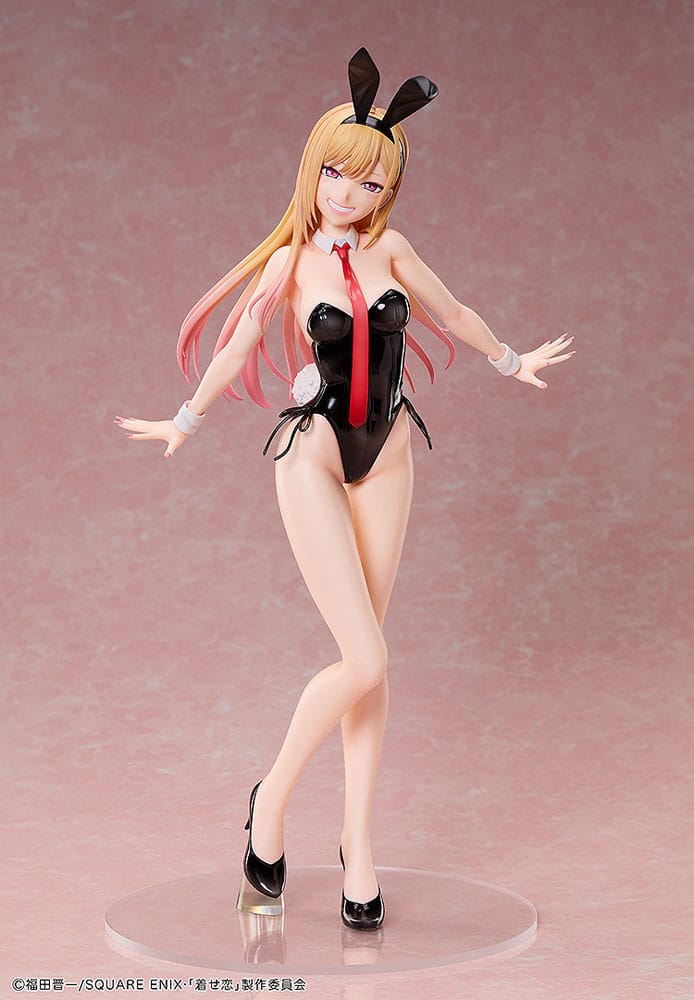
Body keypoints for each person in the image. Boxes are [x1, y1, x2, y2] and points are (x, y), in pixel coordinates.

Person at [115, 48, 574, 931]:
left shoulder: (392, 248)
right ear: (312, 169)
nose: (348, 193)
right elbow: (238, 349)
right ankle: (272, 800)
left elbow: (452, 313)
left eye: (368, 181)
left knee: (376, 659)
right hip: (317, 449)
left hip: (389, 449)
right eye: (335, 172)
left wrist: (511, 359)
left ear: (387, 190)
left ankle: (358, 844)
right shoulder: (289, 265)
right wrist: (185, 420)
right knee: (362, 658)